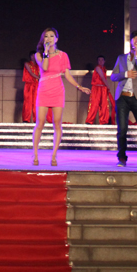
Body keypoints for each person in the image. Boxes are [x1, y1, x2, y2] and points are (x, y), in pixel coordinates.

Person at [32, 28, 90, 167]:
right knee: (40, 122)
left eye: (52, 36)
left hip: (57, 90)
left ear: (56, 39)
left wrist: (79, 86)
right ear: (43, 39)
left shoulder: (63, 55)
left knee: (57, 123)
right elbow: (45, 67)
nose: (49, 38)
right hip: (44, 90)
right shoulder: (38, 55)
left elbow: (67, 75)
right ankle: (35, 154)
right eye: (46, 36)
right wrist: (46, 52)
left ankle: (54, 155)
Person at [110, 30, 137, 167]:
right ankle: (122, 157)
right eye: (134, 38)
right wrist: (125, 74)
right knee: (122, 130)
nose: (136, 40)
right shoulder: (121, 58)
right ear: (131, 41)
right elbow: (113, 76)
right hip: (122, 97)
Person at [87, 56, 115, 125]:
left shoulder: (104, 69)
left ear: (104, 61)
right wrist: (108, 85)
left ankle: (104, 121)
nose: (100, 61)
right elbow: (102, 77)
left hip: (103, 88)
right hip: (96, 88)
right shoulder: (98, 68)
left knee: (104, 105)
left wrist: (106, 86)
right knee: (94, 104)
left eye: (102, 60)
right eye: (99, 60)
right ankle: (89, 120)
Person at [22, 52, 40, 123]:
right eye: (32, 56)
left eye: (34, 56)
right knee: (28, 102)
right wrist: (39, 78)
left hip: (36, 84)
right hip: (29, 85)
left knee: (36, 102)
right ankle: (26, 119)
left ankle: (36, 119)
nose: (33, 57)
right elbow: (31, 73)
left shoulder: (38, 65)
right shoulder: (27, 64)